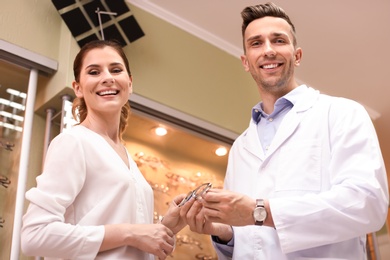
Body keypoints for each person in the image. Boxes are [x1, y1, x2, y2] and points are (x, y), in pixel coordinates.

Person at [180, 2, 389, 259]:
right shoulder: (241, 147)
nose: (268, 50)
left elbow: (367, 205)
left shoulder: (342, 113)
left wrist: (260, 211)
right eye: (256, 43)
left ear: (297, 55)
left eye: (278, 40)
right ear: (246, 62)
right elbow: (252, 238)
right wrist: (223, 232)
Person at [21, 40, 187, 260]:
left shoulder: (127, 157)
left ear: (129, 82)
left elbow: (128, 247)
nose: (107, 77)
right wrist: (129, 233)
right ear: (78, 88)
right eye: (94, 72)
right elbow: (34, 236)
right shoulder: (73, 142)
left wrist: (165, 227)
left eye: (116, 69)